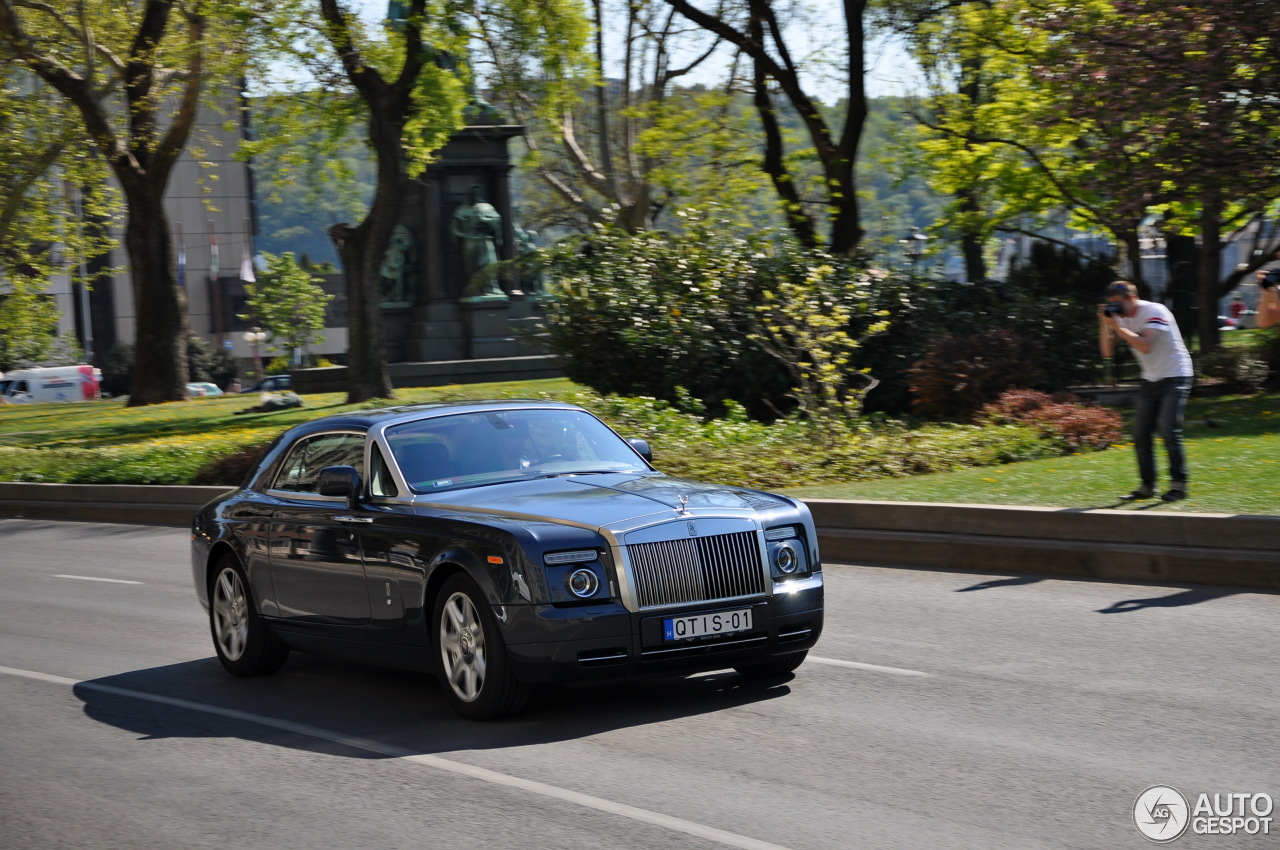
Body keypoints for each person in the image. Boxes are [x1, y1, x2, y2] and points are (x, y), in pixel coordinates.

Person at [1099, 281, 1194, 502]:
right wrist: (1104, 324)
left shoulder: (1155, 310)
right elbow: (1107, 353)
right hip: (1150, 378)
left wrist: (1116, 327)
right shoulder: (1118, 318)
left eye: (1118, 304)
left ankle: (1179, 486)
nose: (1115, 309)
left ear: (1132, 299)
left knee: (1168, 430)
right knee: (1140, 435)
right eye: (1111, 304)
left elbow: (1146, 345)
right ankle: (1147, 486)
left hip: (1175, 374)